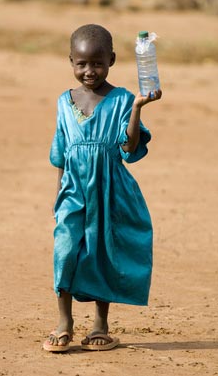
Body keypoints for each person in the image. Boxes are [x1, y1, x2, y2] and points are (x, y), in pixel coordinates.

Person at [43, 24, 162, 352]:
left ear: (111, 59)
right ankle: (64, 321)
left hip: (110, 189)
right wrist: (58, 196)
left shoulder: (123, 99)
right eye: (81, 64)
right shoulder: (64, 102)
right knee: (65, 249)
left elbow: (129, 147)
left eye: (97, 63)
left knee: (102, 252)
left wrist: (137, 108)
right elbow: (61, 153)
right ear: (70, 61)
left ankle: (100, 324)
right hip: (73, 190)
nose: (89, 71)